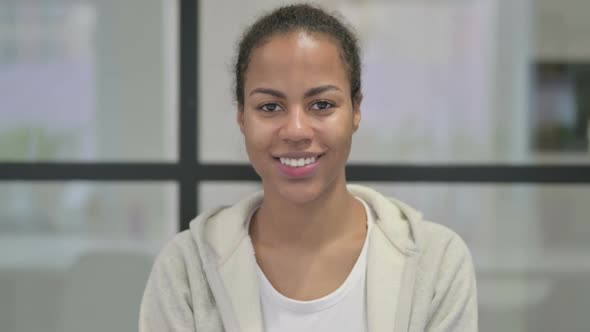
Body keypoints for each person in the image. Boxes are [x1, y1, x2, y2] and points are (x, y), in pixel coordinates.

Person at [139, 4, 477, 332]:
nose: (297, 131)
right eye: (270, 106)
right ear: (242, 116)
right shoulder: (185, 271)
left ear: (356, 110)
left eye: (322, 105)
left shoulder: (436, 263)